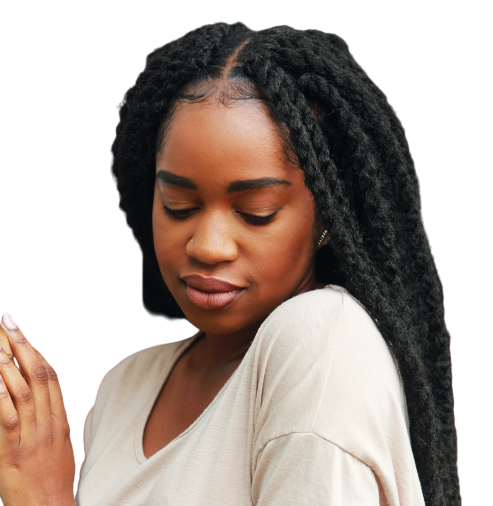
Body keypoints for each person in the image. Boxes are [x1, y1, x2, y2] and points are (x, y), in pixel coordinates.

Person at [0, 22, 461, 505]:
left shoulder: (320, 346)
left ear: (326, 215)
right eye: (178, 204)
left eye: (255, 212)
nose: (208, 245)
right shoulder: (126, 388)